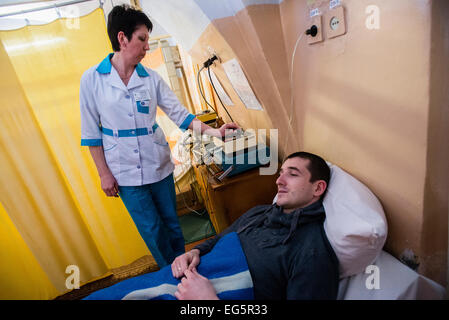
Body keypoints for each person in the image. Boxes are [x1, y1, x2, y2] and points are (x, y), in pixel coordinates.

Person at [79, 4, 239, 268]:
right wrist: (103, 173)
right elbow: (90, 133)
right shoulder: (92, 79)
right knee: (152, 231)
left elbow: (180, 115)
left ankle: (185, 268)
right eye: (142, 39)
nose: (146, 47)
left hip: (158, 165)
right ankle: (170, 273)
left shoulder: (151, 78)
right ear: (122, 38)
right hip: (124, 171)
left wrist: (215, 131)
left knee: (172, 225)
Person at [171, 152, 340, 300]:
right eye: (281, 174)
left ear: (317, 188)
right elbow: (219, 239)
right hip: (178, 279)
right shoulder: (258, 213)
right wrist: (195, 251)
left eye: (293, 174)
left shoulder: (312, 254)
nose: (279, 181)